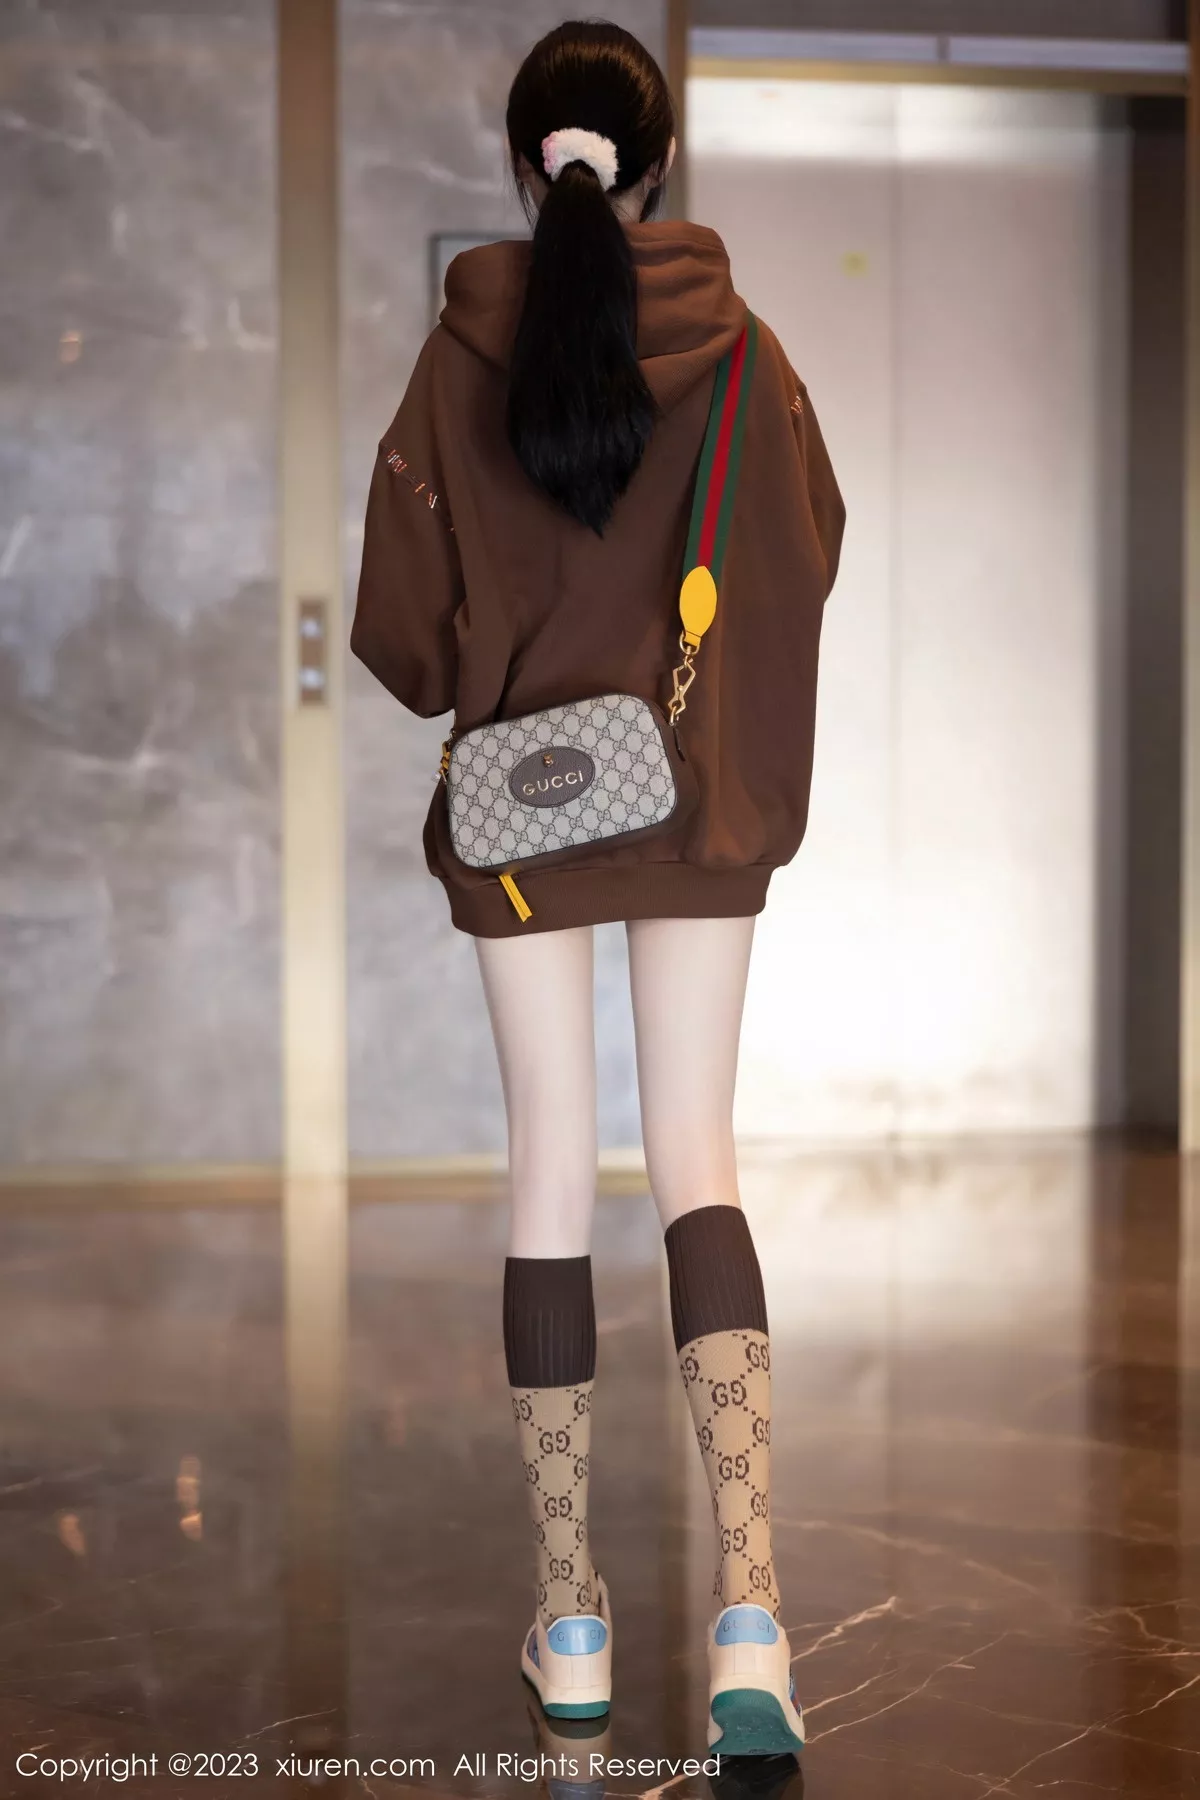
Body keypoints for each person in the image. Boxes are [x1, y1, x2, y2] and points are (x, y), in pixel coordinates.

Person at [351, 19, 845, 1757]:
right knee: (698, 1158)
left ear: (522, 165)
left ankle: (569, 1619)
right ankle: (752, 1623)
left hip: (520, 822)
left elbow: (408, 641)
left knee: (548, 1167)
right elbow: (808, 554)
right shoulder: (748, 351)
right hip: (696, 805)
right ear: (658, 169)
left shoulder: (453, 358)